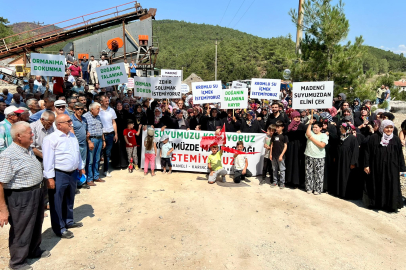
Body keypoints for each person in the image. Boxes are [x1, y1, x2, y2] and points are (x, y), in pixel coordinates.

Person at [0, 122, 50, 270]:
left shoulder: (28, 150)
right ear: (19, 136)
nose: (32, 134)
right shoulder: (8, 155)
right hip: (20, 196)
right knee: (22, 228)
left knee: (36, 223)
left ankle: (34, 250)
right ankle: (17, 262)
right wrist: (3, 209)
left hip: (37, 192)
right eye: (29, 132)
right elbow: (0, 183)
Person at [43, 114, 86, 238]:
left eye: (70, 121)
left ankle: (68, 221)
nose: (71, 123)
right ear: (59, 125)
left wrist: (80, 167)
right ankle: (59, 228)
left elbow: (76, 153)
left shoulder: (72, 135)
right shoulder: (51, 138)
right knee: (57, 201)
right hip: (59, 174)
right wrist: (50, 178)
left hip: (72, 173)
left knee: (69, 198)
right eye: (68, 121)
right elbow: (48, 160)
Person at [363, 120, 405, 212]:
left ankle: (390, 205)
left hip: (392, 167)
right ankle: (376, 203)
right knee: (378, 183)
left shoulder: (396, 139)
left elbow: (400, 154)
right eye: (387, 127)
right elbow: (367, 152)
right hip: (377, 167)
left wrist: (402, 168)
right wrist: (366, 165)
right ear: (382, 128)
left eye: (391, 127)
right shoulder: (374, 138)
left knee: (391, 184)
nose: (389, 129)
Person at [331, 123, 360, 199]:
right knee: (339, 175)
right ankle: (338, 192)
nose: (341, 130)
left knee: (346, 177)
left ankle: (346, 194)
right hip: (339, 160)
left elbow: (355, 151)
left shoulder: (352, 138)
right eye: (340, 128)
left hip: (348, 161)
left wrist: (353, 162)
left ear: (347, 129)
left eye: (343, 129)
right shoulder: (340, 138)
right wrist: (334, 157)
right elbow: (336, 148)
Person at [304, 112, 328, 195]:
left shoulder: (324, 135)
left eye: (316, 127)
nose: (315, 129)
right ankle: (309, 187)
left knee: (318, 174)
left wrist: (312, 139)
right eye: (314, 127)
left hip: (319, 157)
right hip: (309, 155)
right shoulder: (311, 133)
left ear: (321, 128)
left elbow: (322, 145)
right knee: (308, 172)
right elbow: (307, 134)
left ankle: (318, 189)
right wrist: (310, 124)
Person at [82, 102, 105, 186]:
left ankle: (96, 176)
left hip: (99, 139)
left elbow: (101, 128)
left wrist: (103, 140)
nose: (99, 110)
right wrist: (89, 141)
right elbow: (85, 131)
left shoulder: (98, 116)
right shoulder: (85, 117)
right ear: (92, 109)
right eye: (98, 109)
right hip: (92, 140)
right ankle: (89, 179)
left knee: (97, 159)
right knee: (90, 160)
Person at [285, 111, 307, 187]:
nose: (297, 118)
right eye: (295, 117)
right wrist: (291, 126)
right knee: (290, 162)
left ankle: (298, 182)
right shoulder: (288, 126)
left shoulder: (303, 126)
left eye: (298, 117)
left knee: (298, 163)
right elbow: (285, 132)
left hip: (299, 147)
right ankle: (289, 180)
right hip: (290, 146)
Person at [99, 95, 118, 177]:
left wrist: (116, 134)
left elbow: (114, 122)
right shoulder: (98, 110)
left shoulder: (111, 110)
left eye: (108, 101)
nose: (107, 102)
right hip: (100, 135)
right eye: (106, 101)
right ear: (101, 102)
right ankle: (95, 172)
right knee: (98, 154)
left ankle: (106, 170)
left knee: (107, 154)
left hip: (110, 135)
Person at [270, 121, 288, 189]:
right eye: (276, 127)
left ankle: (282, 183)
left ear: (282, 127)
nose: (277, 128)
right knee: (274, 169)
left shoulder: (284, 136)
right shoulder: (274, 135)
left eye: (278, 127)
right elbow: (272, 145)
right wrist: (270, 154)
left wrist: (281, 155)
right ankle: (275, 181)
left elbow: (285, 146)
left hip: (280, 156)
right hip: (274, 155)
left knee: (282, 169)